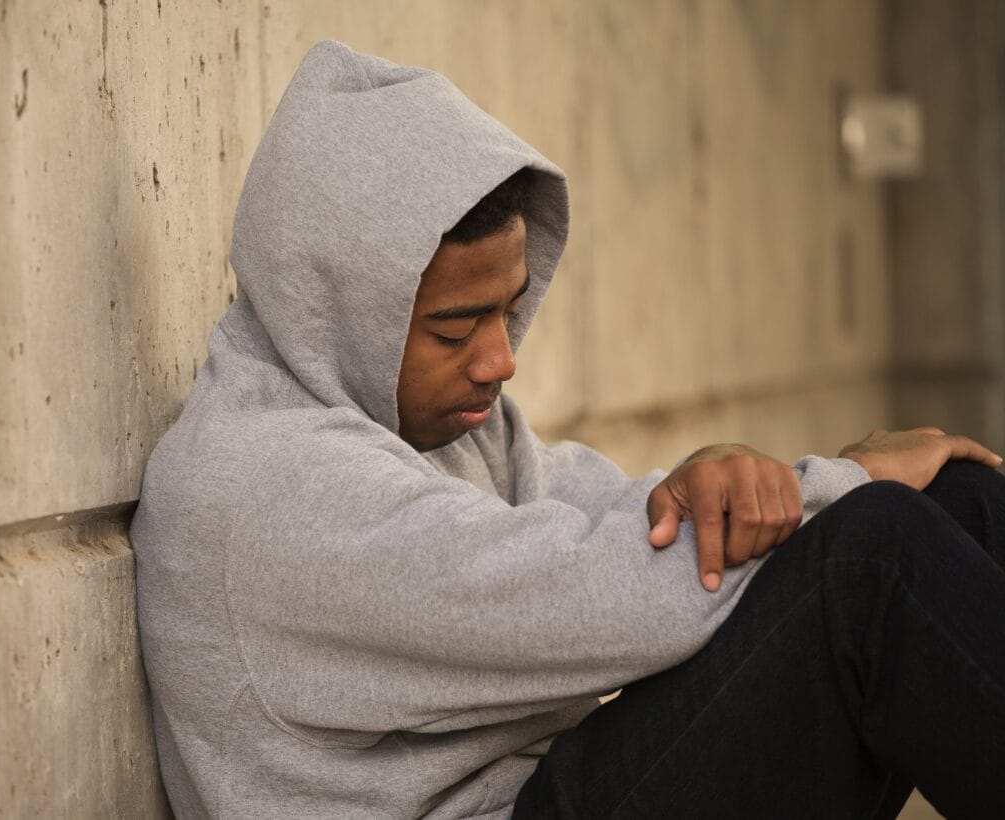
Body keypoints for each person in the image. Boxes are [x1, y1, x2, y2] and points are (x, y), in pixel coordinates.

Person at [130, 40, 1005, 818]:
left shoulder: (433, 422)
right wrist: (844, 479)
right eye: (454, 329)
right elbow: (601, 603)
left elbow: (630, 519)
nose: (500, 360)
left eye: (507, 314)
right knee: (873, 556)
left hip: (554, 790)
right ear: (336, 309)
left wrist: (719, 475)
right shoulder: (262, 487)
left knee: (954, 501)